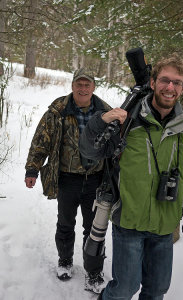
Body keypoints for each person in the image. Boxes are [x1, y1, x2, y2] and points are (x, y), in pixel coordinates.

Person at [79, 53, 183, 299]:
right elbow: (88, 150)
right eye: (165, 80)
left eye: (177, 82)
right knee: (125, 289)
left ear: (182, 88)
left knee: (157, 290)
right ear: (153, 82)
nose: (170, 87)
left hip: (164, 227)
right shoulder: (128, 122)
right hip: (129, 223)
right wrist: (101, 120)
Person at [24, 68, 112, 294]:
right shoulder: (58, 111)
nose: (83, 88)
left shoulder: (105, 112)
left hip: (96, 180)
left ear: (93, 87)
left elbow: (117, 145)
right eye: (79, 84)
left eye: (87, 85)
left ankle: (93, 272)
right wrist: (32, 169)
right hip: (67, 178)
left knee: (95, 229)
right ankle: (65, 261)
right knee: (65, 223)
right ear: (72, 86)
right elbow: (41, 140)